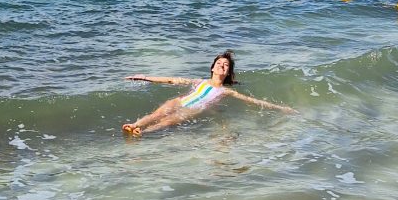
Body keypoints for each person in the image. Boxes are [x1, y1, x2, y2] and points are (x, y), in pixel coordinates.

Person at [121, 51, 295, 136]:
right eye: (219, 63)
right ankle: (135, 124)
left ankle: (144, 132)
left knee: (168, 121)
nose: (222, 66)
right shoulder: (199, 81)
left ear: (228, 73)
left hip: (194, 109)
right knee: (158, 113)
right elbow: (171, 80)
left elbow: (252, 101)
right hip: (180, 101)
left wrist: (280, 108)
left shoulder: (226, 91)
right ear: (212, 68)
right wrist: (144, 77)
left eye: (226, 65)